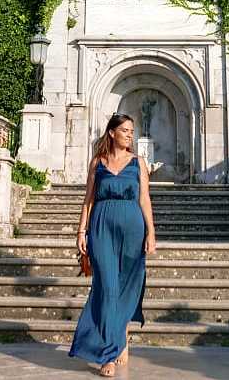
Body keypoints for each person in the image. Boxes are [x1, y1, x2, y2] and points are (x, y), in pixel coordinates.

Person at [68, 113, 157, 377]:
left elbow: (144, 199)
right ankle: (108, 354)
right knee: (107, 287)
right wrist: (81, 230)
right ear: (112, 133)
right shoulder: (98, 162)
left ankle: (120, 336)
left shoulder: (138, 163)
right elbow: (88, 200)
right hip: (101, 227)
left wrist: (151, 232)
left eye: (132, 131)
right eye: (125, 131)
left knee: (128, 286)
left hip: (132, 228)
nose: (130, 135)